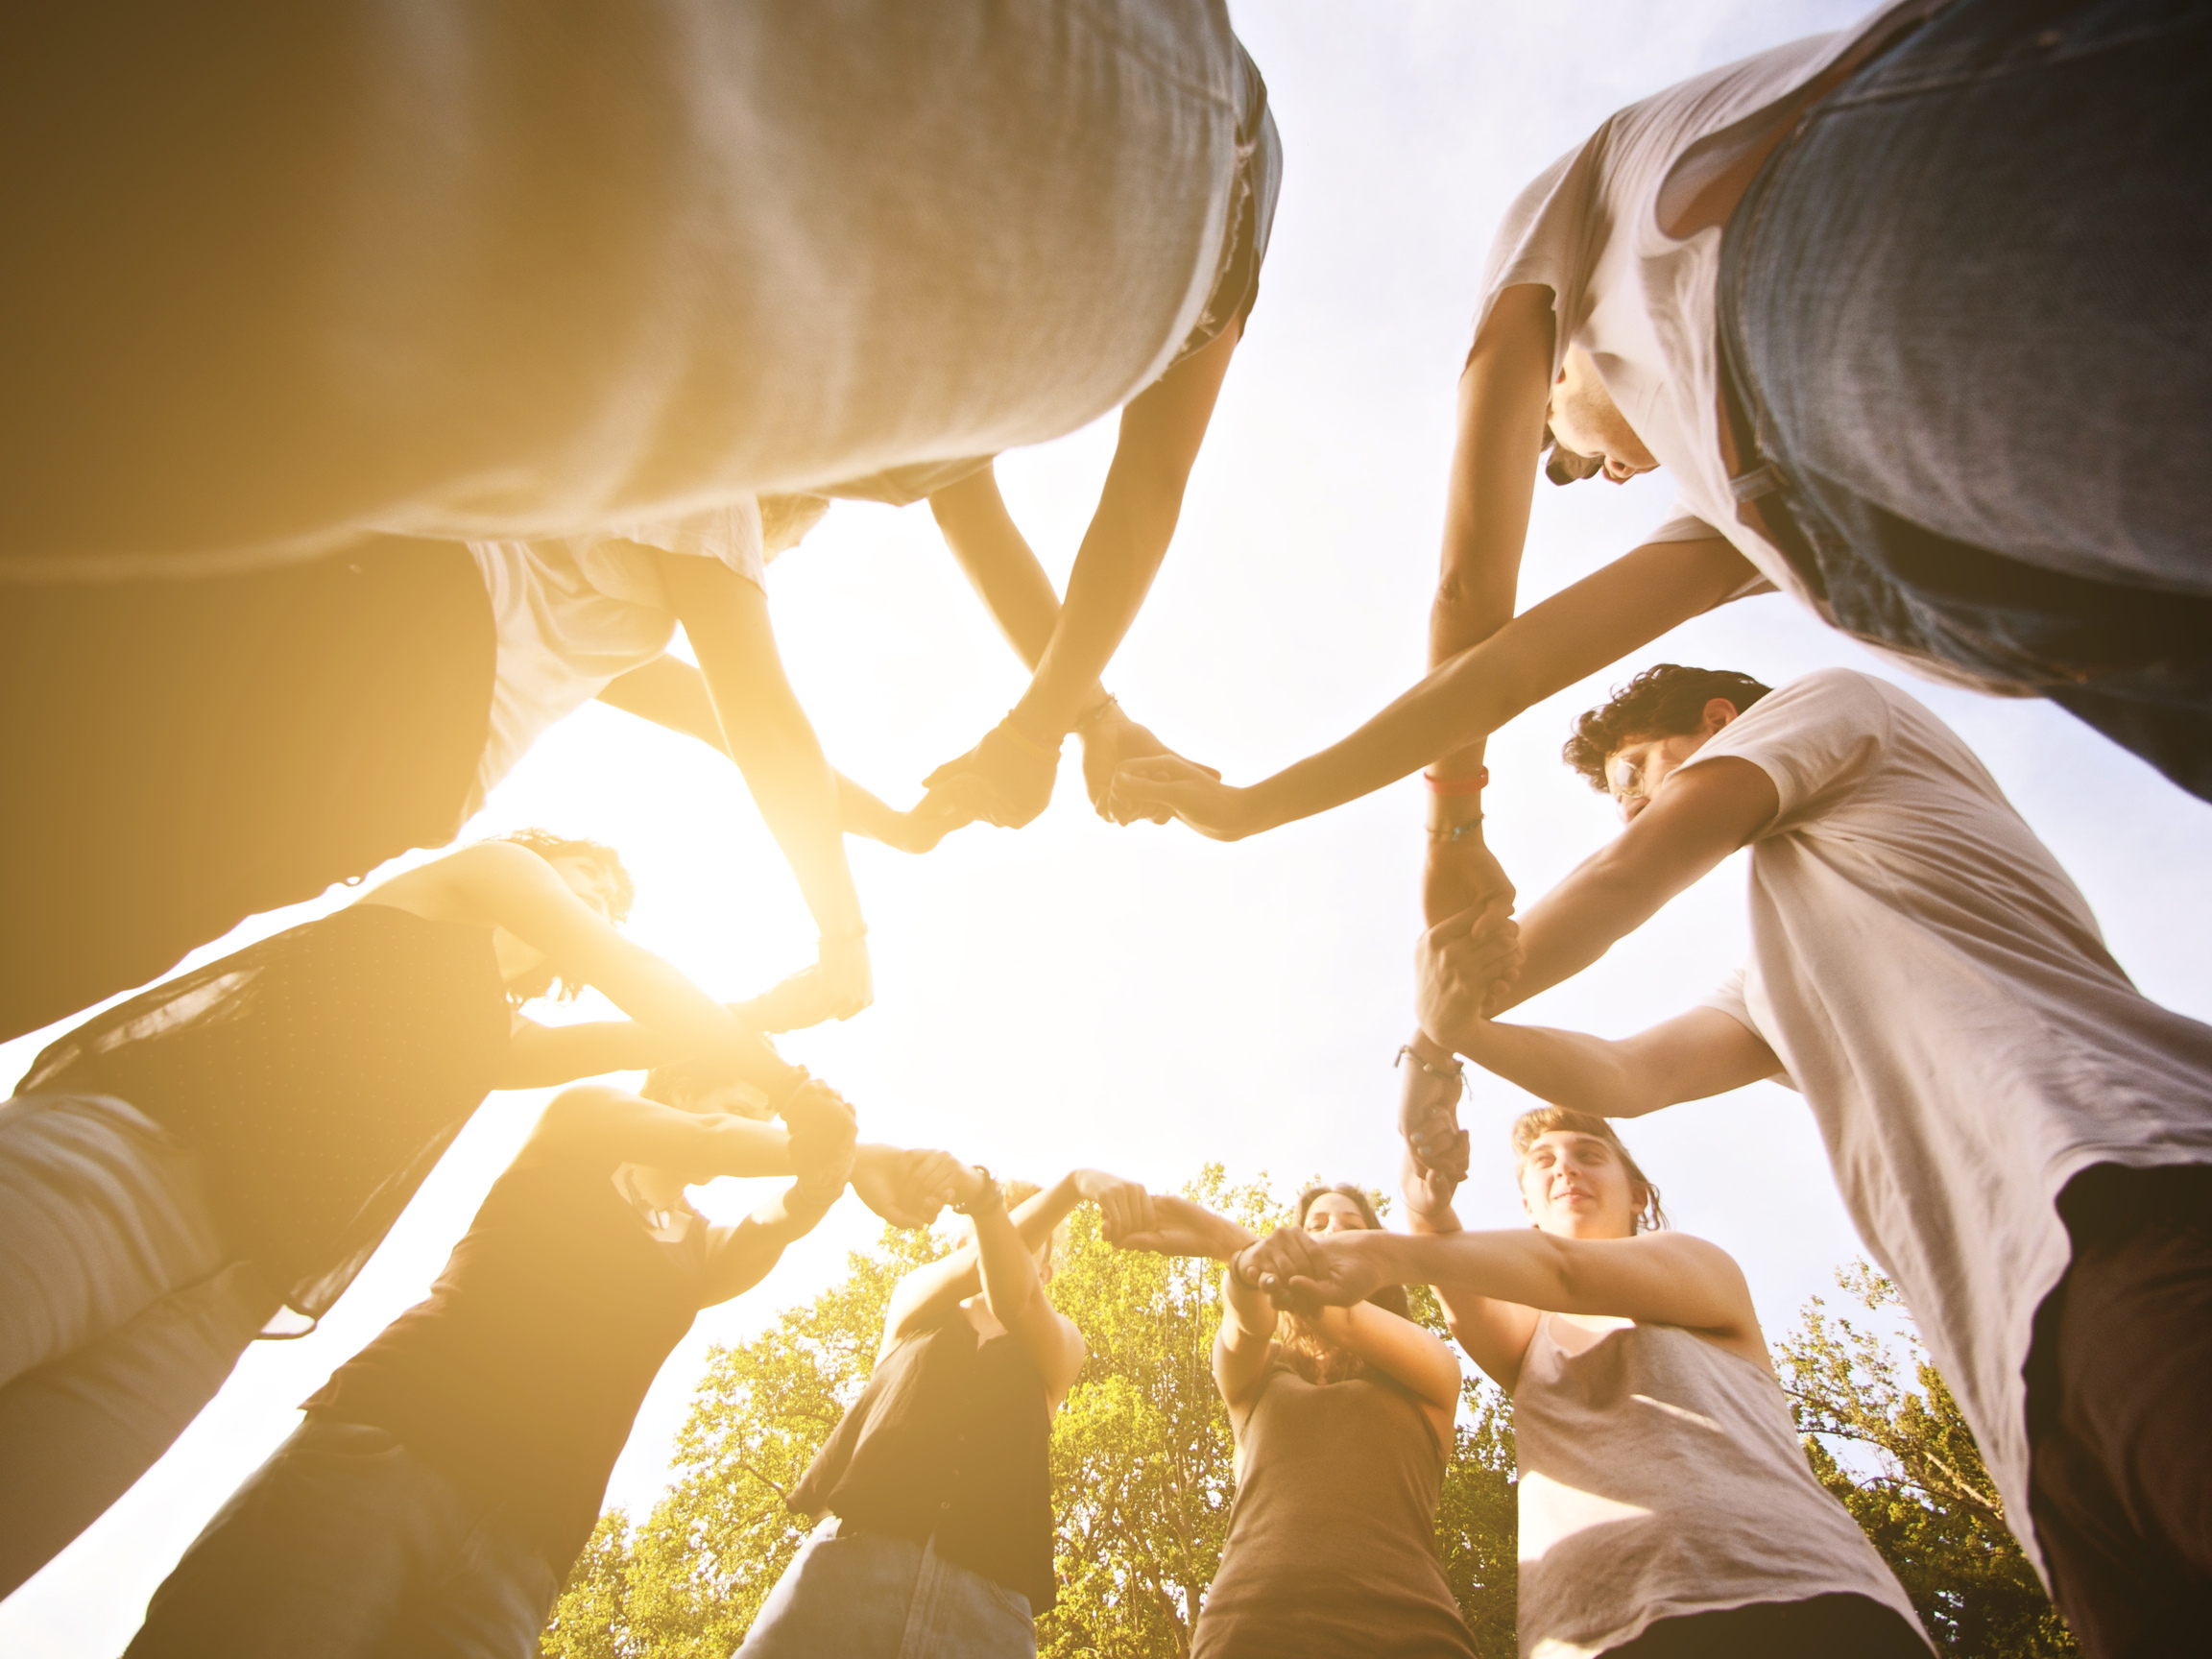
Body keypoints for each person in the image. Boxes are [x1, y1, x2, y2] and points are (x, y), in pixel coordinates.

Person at [1404, 662, 2212, 1659]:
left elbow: (1628, 879)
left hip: (2124, 1188)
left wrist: (1454, 1001)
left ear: (1722, 722)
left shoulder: (1834, 709)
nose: (1636, 813)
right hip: (2015, 1364)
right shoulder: (1778, 974)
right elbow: (1624, 1073)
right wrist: (1463, 1034)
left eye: (1640, 777)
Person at [7, 4, 1263, 579]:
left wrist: (1069, 714)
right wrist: (1057, 723)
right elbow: (1140, 502)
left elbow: (977, 519)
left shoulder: (918, 428)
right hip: (1189, 169)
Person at [0, 828, 849, 1595]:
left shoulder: (500, 1040)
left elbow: (643, 1033)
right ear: (538, 865)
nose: (592, 912)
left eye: (604, 911)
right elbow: (641, 987)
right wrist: (787, 1089)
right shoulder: (475, 878)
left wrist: (769, 1014)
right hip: (127, 1164)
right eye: (582, 887)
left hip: (226, 1297)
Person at [120, 1061, 957, 1658]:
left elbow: (783, 1214)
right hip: (389, 1458)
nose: (757, 1130)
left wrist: (839, 1170)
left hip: (524, 1551)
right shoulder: (577, 1125)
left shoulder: (699, 1249)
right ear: (676, 1092)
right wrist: (828, 1146)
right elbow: (735, 1140)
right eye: (741, 1108)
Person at [1243, 1114, 1932, 1659]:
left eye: (1588, 1154)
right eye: (1543, 1162)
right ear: (1526, 1205)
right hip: (1591, 1635)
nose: (1565, 1167)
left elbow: (1560, 1271)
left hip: (1800, 1598)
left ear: (1639, 1193)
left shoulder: (1700, 1268)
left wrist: (1398, 1245)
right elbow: (1452, 1260)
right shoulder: (1524, 1337)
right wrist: (1423, 1182)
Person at [737, 1164, 1154, 1659]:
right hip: (849, 1569)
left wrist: (1064, 1188)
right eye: (984, 1227)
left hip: (985, 1607)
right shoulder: (913, 1302)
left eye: (1019, 1227)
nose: (999, 1232)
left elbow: (1012, 1289)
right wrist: (1061, 1191)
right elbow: (990, 1255)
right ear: (959, 1247)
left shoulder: (1062, 1346)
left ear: (1045, 1274)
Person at [1112, 1184, 1475, 1658]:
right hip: (1245, 1634)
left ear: (1376, 1257)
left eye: (1349, 1226)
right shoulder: (1260, 1373)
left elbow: (1342, 1319)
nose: (1329, 1234)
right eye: (1316, 1225)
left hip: (1410, 1635)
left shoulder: (1428, 1366)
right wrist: (1242, 1263)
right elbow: (1245, 1324)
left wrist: (1228, 1241)